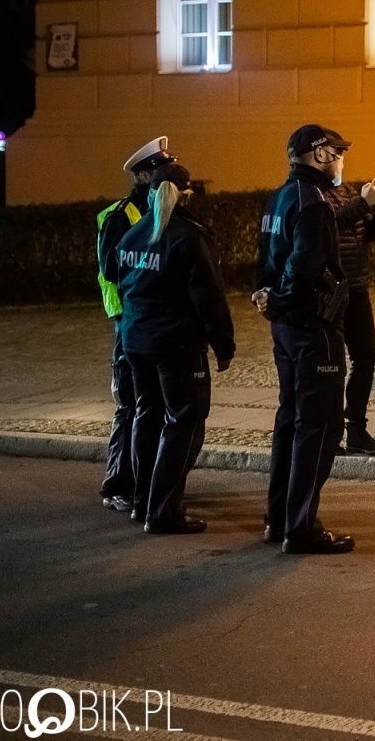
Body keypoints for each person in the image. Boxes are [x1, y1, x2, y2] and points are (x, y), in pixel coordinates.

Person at [109, 162, 235, 534]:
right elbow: (209, 298)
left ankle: (142, 502)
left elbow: (121, 282)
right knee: (182, 422)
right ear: (188, 194)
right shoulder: (187, 236)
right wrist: (223, 344)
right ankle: (162, 512)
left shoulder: (133, 236)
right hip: (177, 345)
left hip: (135, 341)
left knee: (146, 419)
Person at [252, 124, 356, 555]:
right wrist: (280, 298)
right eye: (337, 153)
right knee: (321, 426)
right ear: (318, 155)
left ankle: (279, 519)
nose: (340, 161)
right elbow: (303, 264)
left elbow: (264, 259)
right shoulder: (313, 203)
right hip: (314, 330)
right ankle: (301, 527)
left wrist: (267, 298)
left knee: (291, 421)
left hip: (287, 329)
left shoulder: (278, 197)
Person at [95, 136, 177, 514]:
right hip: (130, 322)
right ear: (143, 175)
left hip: (156, 323)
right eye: (160, 172)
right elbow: (110, 271)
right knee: (130, 405)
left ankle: (147, 481)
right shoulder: (121, 216)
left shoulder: (163, 210)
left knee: (153, 407)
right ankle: (117, 483)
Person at [325, 159, 375, 456]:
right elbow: (328, 224)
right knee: (330, 366)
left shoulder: (347, 191)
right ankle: (329, 433)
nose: (340, 160)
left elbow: (366, 233)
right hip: (326, 292)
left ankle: (356, 429)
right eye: (335, 154)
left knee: (365, 357)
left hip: (355, 286)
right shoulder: (310, 195)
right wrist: (362, 203)